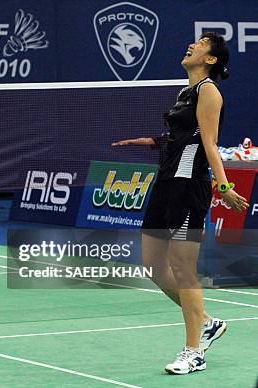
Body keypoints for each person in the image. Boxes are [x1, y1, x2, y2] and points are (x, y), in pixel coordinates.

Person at [141, 32, 249, 375]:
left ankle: (194, 351)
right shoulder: (184, 92)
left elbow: (211, 144)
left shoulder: (208, 91)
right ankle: (206, 321)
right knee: (152, 265)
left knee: (183, 267)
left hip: (190, 185)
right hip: (166, 184)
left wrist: (224, 185)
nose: (192, 45)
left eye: (201, 44)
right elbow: (179, 138)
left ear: (211, 59)